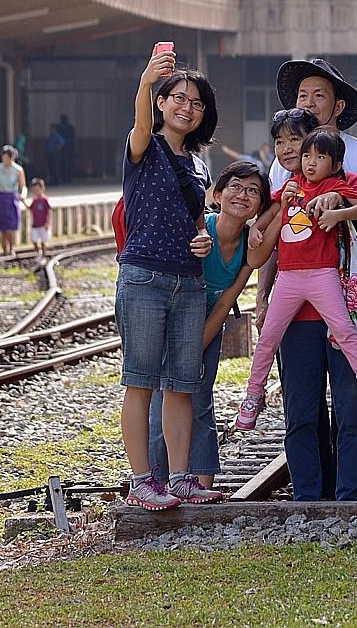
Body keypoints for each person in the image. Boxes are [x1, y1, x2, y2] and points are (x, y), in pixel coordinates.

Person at [258, 58, 357, 502]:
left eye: (319, 95)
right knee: (300, 409)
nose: (309, 103)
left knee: (351, 404)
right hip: (295, 307)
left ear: (338, 105)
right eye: (302, 96)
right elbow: (275, 236)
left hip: (350, 301)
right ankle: (308, 496)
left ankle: (349, 497)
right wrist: (262, 296)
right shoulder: (282, 163)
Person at [115, 47, 224, 510]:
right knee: (140, 380)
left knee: (182, 383)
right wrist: (145, 81)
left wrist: (203, 240)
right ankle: (142, 479)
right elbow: (140, 124)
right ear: (161, 103)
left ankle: (180, 477)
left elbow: (198, 223)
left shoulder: (200, 167)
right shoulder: (144, 146)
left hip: (188, 281)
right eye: (177, 97)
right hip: (143, 276)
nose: (187, 107)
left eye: (196, 103)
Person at [236, 127, 357, 431]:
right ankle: (253, 396)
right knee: (268, 338)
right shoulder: (293, 184)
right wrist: (255, 228)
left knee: (344, 332)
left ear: (336, 164)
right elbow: (272, 209)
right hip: (288, 277)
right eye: (307, 155)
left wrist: (337, 215)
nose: (311, 162)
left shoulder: (340, 184)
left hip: (322, 273)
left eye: (320, 157)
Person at [149, 159, 272, 489]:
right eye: (235, 186)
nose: (242, 195)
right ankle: (157, 481)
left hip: (208, 328)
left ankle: (202, 483)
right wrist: (185, 345)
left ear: (260, 205)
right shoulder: (201, 232)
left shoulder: (250, 244)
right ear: (217, 193)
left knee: (201, 400)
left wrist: (200, 342)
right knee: (164, 399)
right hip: (172, 324)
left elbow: (228, 299)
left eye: (253, 192)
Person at [0, 145, 27, 257]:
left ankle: (12, 248)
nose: (5, 159)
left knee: (11, 226)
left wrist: (23, 195)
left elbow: (23, 186)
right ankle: (4, 250)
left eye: (7, 157)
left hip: (12, 198)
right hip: (0, 197)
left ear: (12, 157)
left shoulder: (18, 170)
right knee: (2, 227)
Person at [27, 178, 52, 262]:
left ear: (42, 189)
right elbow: (30, 209)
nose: (36, 192)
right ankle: (39, 253)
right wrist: (23, 202)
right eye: (34, 190)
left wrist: (48, 223)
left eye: (37, 190)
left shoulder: (45, 200)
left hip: (43, 224)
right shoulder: (34, 200)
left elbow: (49, 212)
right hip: (35, 224)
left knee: (43, 241)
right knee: (34, 240)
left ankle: (43, 256)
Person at [57, 113, 77, 184]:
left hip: (64, 148)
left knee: (63, 163)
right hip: (68, 148)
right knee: (67, 163)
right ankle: (68, 177)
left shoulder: (60, 127)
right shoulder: (70, 127)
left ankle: (65, 177)